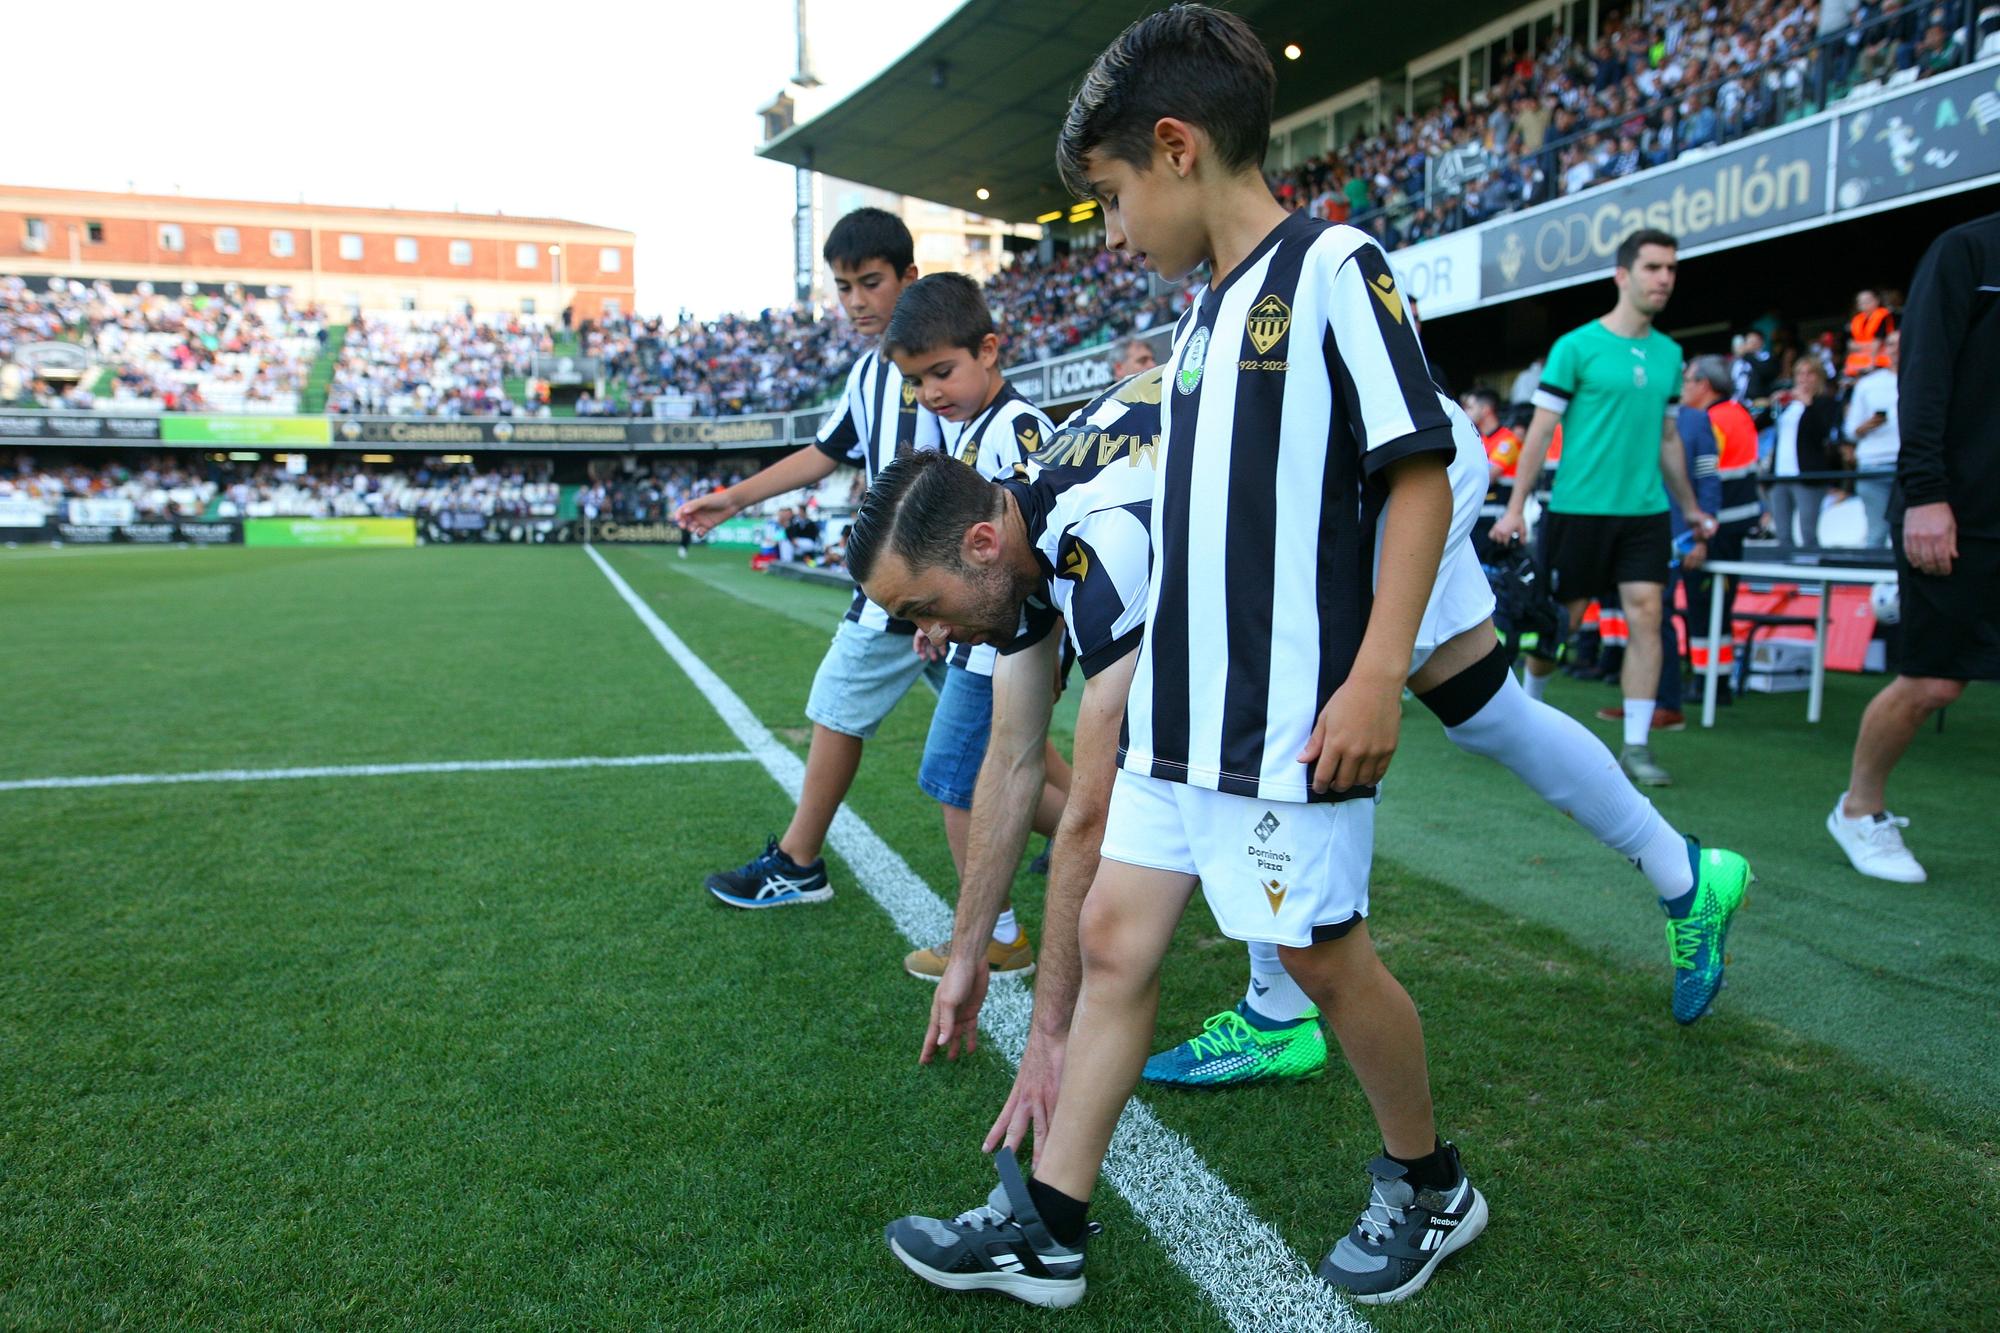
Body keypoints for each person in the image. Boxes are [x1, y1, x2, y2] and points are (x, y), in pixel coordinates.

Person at [882, 10, 1488, 1306]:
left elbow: (1420, 474)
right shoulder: (1208, 315)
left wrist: (1379, 671)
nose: (1110, 231)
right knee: (1110, 935)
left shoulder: (1334, 266)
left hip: (1282, 715)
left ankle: (1432, 1184)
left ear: (1174, 147)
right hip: (1182, 712)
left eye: (1107, 197)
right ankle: (1049, 1224)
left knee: (1323, 958)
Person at [675, 209, 1038, 909]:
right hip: (912, 593)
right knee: (994, 742)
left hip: (935, 588)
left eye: (870, 282)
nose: (856, 302)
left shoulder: (947, 375)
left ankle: (799, 861)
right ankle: (1085, 826)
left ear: (908, 276)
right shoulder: (868, 375)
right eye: (843, 288)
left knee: (853, 709)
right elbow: (827, 450)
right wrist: (734, 497)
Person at [877, 272, 1068, 978]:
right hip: (983, 637)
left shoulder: (1017, 432)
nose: (931, 392)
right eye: (917, 380)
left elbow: (1033, 552)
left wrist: (1044, 647)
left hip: (1010, 641)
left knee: (954, 776)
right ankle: (1110, 838)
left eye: (942, 371)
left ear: (989, 350)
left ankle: (999, 934)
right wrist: (939, 618)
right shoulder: (971, 433)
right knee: (1033, 773)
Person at [1489, 229, 1718, 788]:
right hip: (1578, 509)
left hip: (1643, 514)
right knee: (1555, 628)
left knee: (1647, 613)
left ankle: (1636, 746)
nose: (1665, 278)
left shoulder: (1669, 355)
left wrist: (1688, 507)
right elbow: (1541, 432)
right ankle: (1522, 721)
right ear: (1623, 275)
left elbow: (1667, 439)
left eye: (1671, 269)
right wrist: (1516, 508)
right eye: (1653, 267)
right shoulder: (1576, 346)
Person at [1830, 211, 2000, 883]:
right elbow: (1923, 377)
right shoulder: (1968, 251)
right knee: (1934, 678)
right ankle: (1858, 808)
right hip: (1958, 510)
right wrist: (1926, 494)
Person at [1598, 372, 1721, 730]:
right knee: (1640, 618)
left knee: (1657, 616)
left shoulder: (1696, 420)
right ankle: (1640, 701)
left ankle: (1667, 705)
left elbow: (1708, 480)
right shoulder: (1634, 417)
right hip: (1635, 532)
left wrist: (1701, 536)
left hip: (1677, 535)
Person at [1681, 355, 1762, 696]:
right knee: (1715, 607)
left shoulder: (1711, 420)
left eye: (1687, 381)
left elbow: (1704, 476)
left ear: (1704, 385)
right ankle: (1715, 677)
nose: (1682, 387)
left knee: (1705, 607)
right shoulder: (1737, 413)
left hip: (1716, 527)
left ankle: (1708, 680)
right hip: (1732, 524)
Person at [1768, 352, 1840, 554]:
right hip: (1780, 475)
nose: (1804, 379)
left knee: (1808, 532)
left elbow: (1823, 432)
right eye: (1800, 374)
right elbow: (1762, 425)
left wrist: (1808, 404)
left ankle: (1812, 579)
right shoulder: (1788, 405)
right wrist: (1772, 404)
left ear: (1818, 377)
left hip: (1807, 475)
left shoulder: (1824, 403)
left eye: (1810, 374)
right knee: (1782, 534)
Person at [1845, 330, 1901, 548]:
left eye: (1901, 343)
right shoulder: (1868, 384)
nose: (1896, 349)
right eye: (1891, 344)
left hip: (1909, 464)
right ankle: (1875, 582)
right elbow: (1850, 431)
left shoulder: (1925, 377)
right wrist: (1868, 425)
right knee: (1877, 533)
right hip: (1873, 465)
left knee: (1909, 532)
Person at [1843, 289, 1896, 383]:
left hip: (1878, 364)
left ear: (1876, 301)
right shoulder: (1856, 320)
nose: (1864, 304)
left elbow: (1878, 343)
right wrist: (1868, 345)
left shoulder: (1882, 316)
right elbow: (1850, 345)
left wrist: (1860, 347)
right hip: (1856, 367)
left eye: (1868, 300)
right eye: (1861, 302)